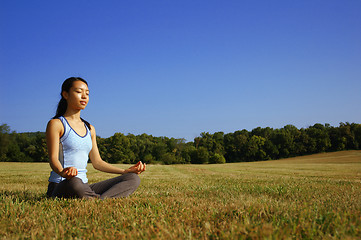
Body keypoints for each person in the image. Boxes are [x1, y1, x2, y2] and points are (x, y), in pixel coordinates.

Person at [46, 77, 146, 199]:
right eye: (78, 92)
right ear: (65, 94)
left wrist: (125, 171)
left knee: (133, 179)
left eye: (87, 93)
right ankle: (97, 198)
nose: (84, 96)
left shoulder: (90, 128)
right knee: (75, 182)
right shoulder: (56, 124)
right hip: (62, 185)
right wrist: (63, 172)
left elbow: (97, 162)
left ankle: (96, 199)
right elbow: (53, 159)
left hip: (84, 186)